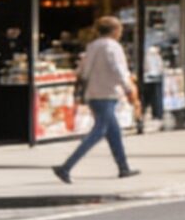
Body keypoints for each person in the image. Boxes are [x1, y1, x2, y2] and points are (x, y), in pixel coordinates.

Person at [53, 15, 139, 184]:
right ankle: (66, 167)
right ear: (114, 30)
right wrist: (128, 89)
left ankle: (123, 167)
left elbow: (82, 72)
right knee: (98, 131)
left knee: (114, 133)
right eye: (119, 29)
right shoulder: (113, 47)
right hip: (108, 93)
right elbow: (118, 70)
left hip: (93, 94)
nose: (120, 32)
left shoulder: (92, 46)